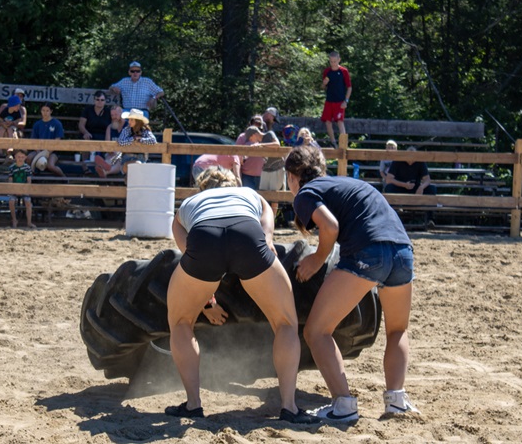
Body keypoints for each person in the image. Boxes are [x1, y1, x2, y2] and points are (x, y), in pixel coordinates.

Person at [165, 166, 319, 424]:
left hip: (204, 237)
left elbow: (189, 253)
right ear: (233, 183)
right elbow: (267, 210)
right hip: (247, 235)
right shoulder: (247, 193)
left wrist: (209, 301)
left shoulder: (190, 204)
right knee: (286, 324)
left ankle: (193, 404)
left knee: (180, 322)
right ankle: (289, 407)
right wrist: (267, 239)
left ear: (202, 188)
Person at [284, 144, 419, 421]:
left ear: (292, 176)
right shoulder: (348, 182)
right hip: (403, 252)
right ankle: (396, 400)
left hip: (368, 252)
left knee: (316, 331)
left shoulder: (306, 193)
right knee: (397, 330)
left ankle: (343, 405)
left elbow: (330, 227)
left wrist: (318, 259)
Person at [321, 51, 351, 148]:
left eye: (335, 61)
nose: (333, 63)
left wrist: (346, 101)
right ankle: (333, 142)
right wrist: (324, 84)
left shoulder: (343, 71)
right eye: (331, 61)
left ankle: (343, 144)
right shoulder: (327, 71)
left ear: (339, 60)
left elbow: (349, 87)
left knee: (339, 121)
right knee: (328, 122)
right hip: (329, 101)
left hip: (340, 101)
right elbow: (322, 87)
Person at [29, 102, 67, 177]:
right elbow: (34, 140)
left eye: (47, 110)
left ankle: (64, 178)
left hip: (53, 151)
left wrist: (47, 152)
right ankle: (31, 176)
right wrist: (39, 152)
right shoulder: (37, 124)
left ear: (51, 111)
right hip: (38, 150)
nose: (45, 113)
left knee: (51, 166)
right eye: (43, 110)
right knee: (28, 158)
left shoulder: (57, 123)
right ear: (40, 111)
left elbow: (58, 140)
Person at [236, 116, 272, 190]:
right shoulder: (242, 137)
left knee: (261, 198)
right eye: (255, 125)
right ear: (250, 125)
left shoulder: (264, 137)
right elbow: (237, 155)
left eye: (259, 125)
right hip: (246, 175)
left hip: (262, 175)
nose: (257, 128)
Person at [116, 108, 156, 174]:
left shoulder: (144, 130)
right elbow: (120, 142)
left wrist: (140, 139)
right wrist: (133, 138)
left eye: (131, 120)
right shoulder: (126, 130)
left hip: (140, 159)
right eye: (129, 119)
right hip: (126, 159)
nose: (129, 122)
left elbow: (153, 141)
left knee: (136, 168)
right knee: (137, 165)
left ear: (137, 121)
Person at [8, 149, 35, 229]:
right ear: (15, 157)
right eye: (18, 157)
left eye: (22, 157)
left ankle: (29, 222)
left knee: (28, 202)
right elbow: (10, 181)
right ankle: (14, 220)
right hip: (14, 189)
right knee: (11, 201)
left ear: (25, 157)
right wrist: (15, 190)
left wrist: (22, 190)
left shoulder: (27, 168)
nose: (20, 159)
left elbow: (28, 181)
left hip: (25, 189)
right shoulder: (12, 168)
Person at [94, 105, 124, 178]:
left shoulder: (128, 127)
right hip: (112, 153)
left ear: (121, 114)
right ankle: (103, 166)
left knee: (119, 159)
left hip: (124, 153)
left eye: (116, 115)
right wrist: (110, 151)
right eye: (112, 115)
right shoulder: (110, 127)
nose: (114, 117)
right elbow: (107, 144)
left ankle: (105, 171)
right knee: (109, 158)